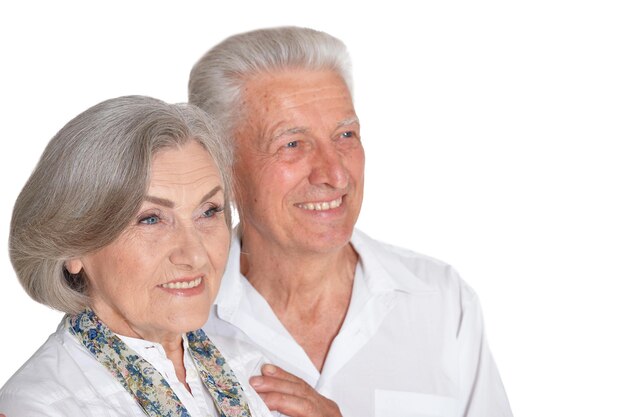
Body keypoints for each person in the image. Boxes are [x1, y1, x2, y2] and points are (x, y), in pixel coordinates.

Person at [188, 27, 513, 417]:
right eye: (292, 144)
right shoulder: (173, 318)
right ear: (220, 167)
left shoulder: (441, 302)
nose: (335, 174)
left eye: (345, 135)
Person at [0, 96, 272, 416]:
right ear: (73, 246)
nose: (196, 255)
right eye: (151, 219)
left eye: (208, 211)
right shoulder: (39, 406)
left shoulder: (251, 365)